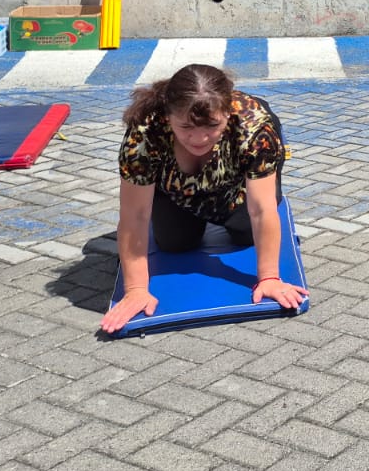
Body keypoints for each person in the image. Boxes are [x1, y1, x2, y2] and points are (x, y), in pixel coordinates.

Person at [102, 64, 305, 334]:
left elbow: (260, 209)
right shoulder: (144, 133)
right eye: (185, 126)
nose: (199, 138)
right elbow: (134, 216)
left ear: (227, 113)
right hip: (177, 189)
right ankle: (194, 208)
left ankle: (227, 203)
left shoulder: (254, 127)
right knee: (175, 244)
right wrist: (136, 289)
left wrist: (269, 277)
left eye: (212, 125)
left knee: (246, 233)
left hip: (234, 185)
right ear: (167, 115)